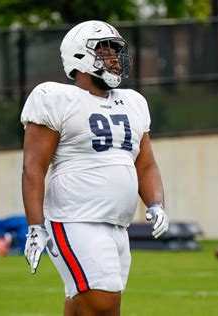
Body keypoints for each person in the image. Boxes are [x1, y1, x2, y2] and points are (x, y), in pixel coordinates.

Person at [21, 20, 169, 316]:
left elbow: (146, 164)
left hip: (117, 226)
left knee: (83, 307)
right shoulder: (56, 98)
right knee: (103, 306)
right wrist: (35, 226)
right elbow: (33, 168)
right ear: (78, 56)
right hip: (75, 220)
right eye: (104, 50)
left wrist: (156, 203)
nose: (114, 58)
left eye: (116, 51)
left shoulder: (134, 102)